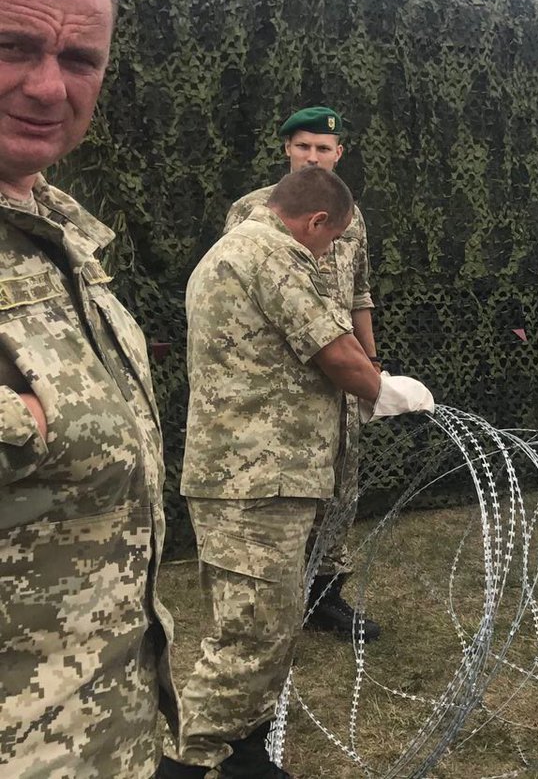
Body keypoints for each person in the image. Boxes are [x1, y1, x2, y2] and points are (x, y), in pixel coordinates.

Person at [158, 166, 433, 779]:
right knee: (247, 638)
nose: (331, 251)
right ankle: (183, 763)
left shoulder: (240, 248)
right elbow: (336, 351)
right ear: (314, 222)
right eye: (332, 240)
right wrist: (388, 393)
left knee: (271, 627)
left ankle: (244, 754)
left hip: (262, 474)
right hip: (253, 480)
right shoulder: (271, 253)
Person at [0, 0, 177, 776]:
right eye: (10, 46)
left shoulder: (64, 237)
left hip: (106, 733)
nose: (46, 88)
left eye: (78, 60)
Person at [225, 106, 383, 641]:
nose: (312, 156)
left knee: (342, 487)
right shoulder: (253, 212)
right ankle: (273, 601)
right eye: (303, 146)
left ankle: (326, 597)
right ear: (287, 150)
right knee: (284, 490)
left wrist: (371, 362)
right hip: (284, 379)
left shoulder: (350, 215)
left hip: (343, 374)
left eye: (323, 148)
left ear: (340, 154)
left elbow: (360, 292)